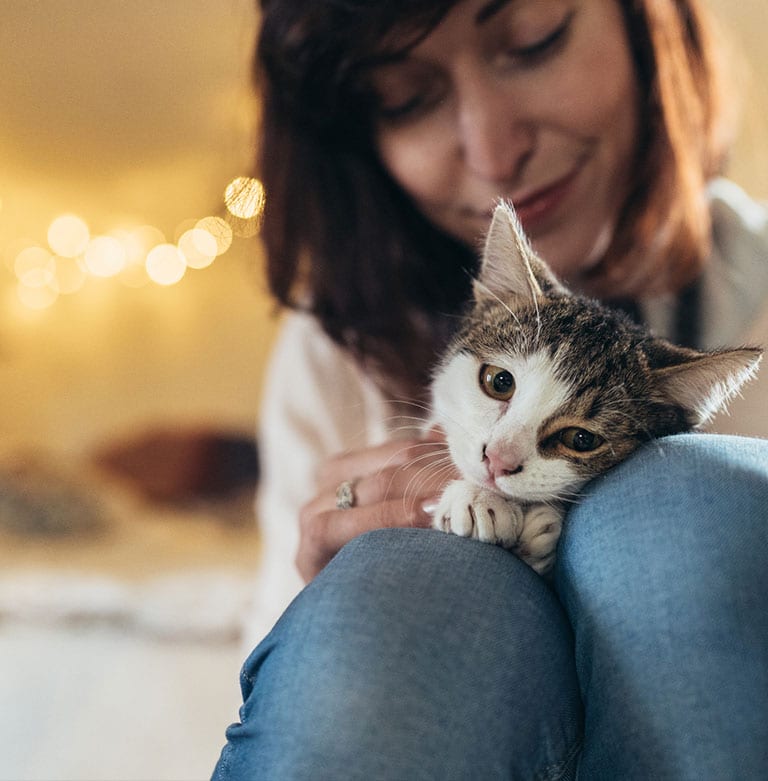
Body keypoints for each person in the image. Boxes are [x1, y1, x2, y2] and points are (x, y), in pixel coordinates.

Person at [213, 0, 768, 777]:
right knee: (407, 578)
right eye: (406, 99)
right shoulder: (334, 346)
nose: (493, 151)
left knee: (678, 512)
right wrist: (331, 600)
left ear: (650, 25)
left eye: (535, 41)